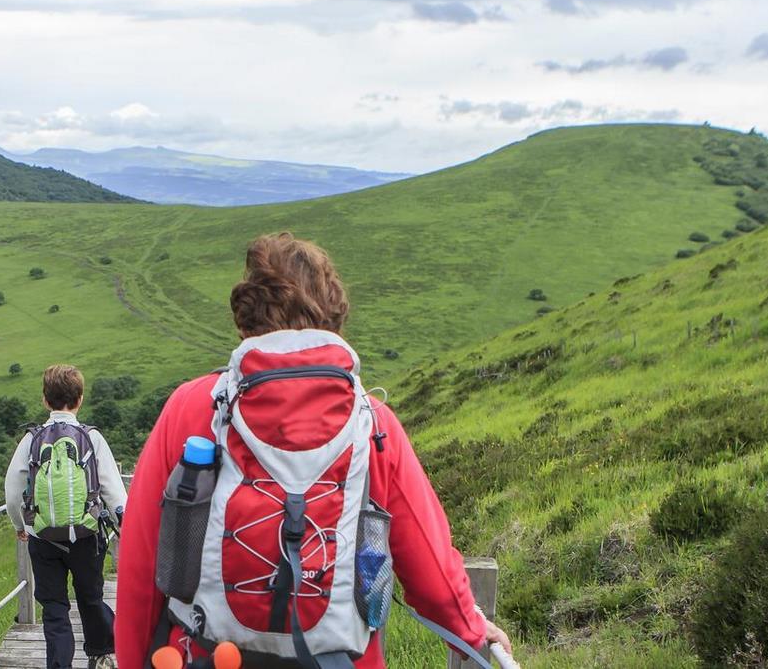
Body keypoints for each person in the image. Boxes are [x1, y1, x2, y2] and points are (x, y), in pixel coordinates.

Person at [114, 233, 515, 669]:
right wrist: (471, 630)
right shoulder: (374, 424)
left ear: (246, 317)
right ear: (334, 315)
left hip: (204, 656)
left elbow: (141, 567)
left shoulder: (192, 407)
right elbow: (431, 570)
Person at [7, 364, 130, 669]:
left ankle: (59, 665)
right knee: (90, 598)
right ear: (80, 400)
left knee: (54, 607)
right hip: (87, 536)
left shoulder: (31, 439)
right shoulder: (92, 438)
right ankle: (100, 655)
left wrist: (20, 525)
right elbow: (113, 491)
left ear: (45, 401)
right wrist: (125, 527)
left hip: (43, 537)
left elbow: (12, 489)